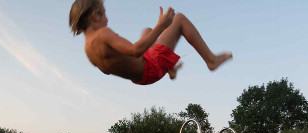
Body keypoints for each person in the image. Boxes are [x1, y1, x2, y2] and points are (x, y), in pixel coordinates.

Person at [69, 0, 232, 85]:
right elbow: (135, 51)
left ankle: (171, 68)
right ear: (94, 16)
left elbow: (107, 70)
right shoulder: (103, 34)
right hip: (151, 66)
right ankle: (211, 60)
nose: (107, 19)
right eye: (104, 14)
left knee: (146, 31)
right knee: (179, 19)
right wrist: (161, 26)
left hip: (141, 77)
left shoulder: (89, 50)